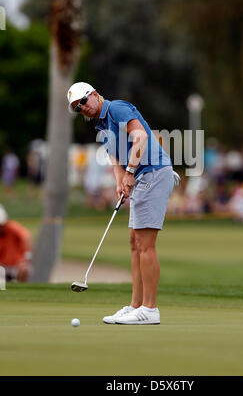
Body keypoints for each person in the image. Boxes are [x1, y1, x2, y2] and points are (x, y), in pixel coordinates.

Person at [67, 82, 180, 325]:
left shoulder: (116, 108)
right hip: (139, 177)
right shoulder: (102, 125)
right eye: (77, 108)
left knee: (145, 243)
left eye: (84, 101)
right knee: (134, 242)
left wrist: (130, 172)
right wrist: (121, 182)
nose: (83, 108)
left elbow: (139, 137)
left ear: (95, 95)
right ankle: (135, 305)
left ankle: (150, 309)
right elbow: (116, 158)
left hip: (154, 172)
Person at [0, 205, 32, 282]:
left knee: (25, 269)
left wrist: (27, 257)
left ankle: (22, 290)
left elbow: (26, 237)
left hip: (15, 266)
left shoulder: (12, 227)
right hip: (1, 267)